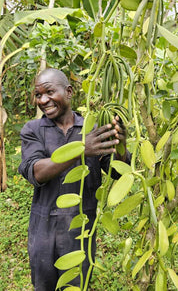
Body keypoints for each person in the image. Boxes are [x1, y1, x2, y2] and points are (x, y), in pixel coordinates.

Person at [18, 68, 130, 291]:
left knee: (77, 284)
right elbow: (36, 172)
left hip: (81, 228)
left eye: (49, 92)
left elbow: (118, 172)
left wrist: (121, 147)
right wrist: (80, 150)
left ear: (68, 92)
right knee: (44, 285)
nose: (43, 100)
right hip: (43, 227)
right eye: (38, 95)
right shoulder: (33, 130)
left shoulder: (92, 130)